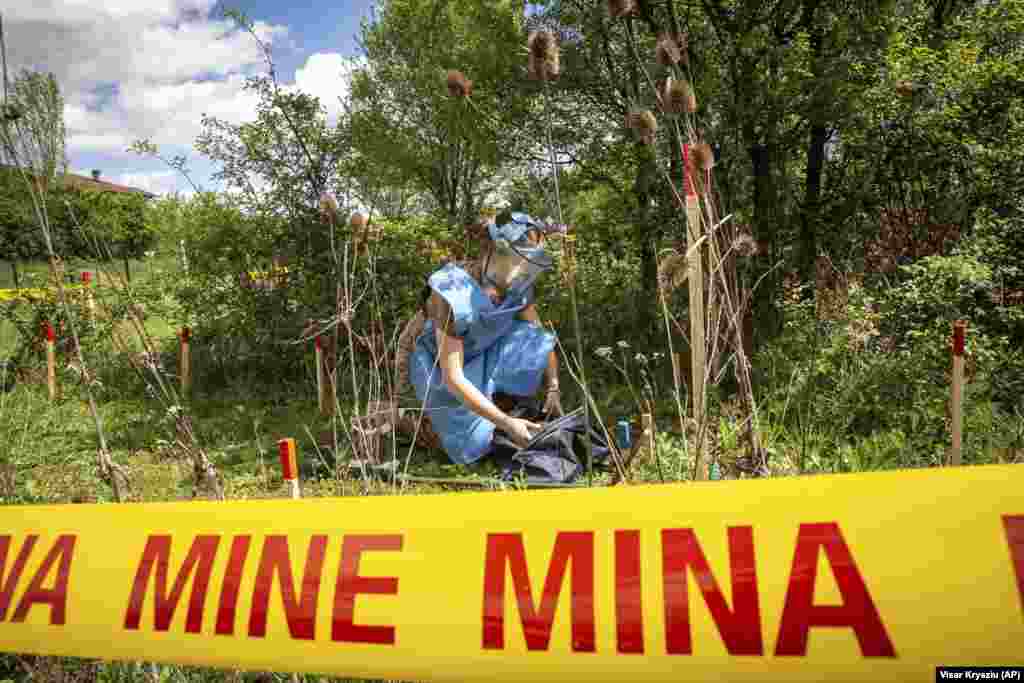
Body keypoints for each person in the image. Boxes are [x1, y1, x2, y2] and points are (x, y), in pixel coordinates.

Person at [406, 210, 565, 465]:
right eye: (516, 258)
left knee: (529, 336)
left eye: (529, 261)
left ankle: (504, 399)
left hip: (480, 350)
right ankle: (418, 422)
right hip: (439, 365)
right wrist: (506, 423)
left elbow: (540, 340)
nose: (522, 268)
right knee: (470, 439)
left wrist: (553, 387)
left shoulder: (518, 286)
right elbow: (453, 376)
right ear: (491, 252)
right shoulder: (452, 290)